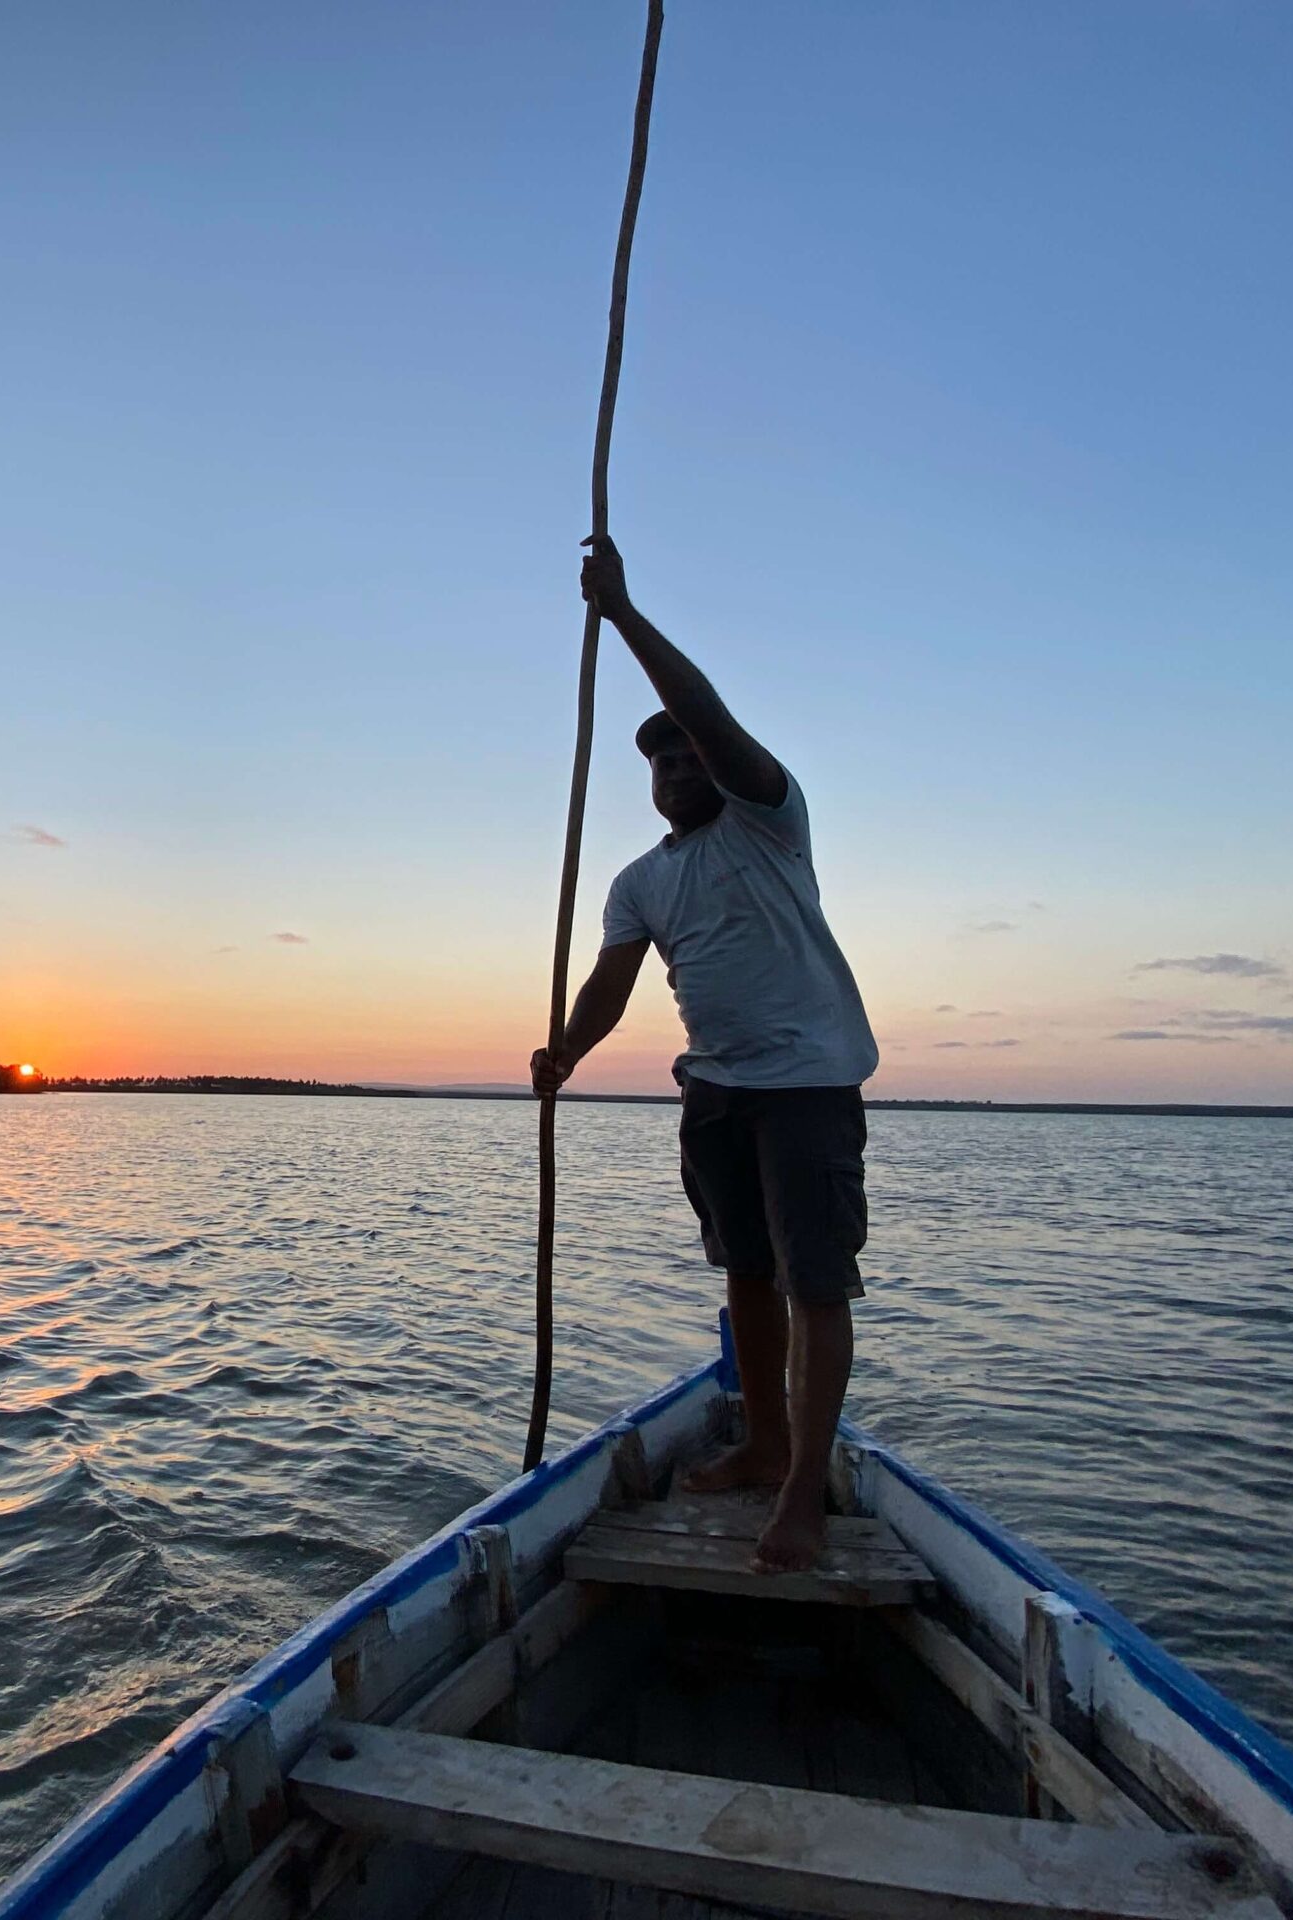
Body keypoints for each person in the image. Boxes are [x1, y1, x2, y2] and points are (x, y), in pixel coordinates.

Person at [530, 534, 878, 1574]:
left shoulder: (768, 818)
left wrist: (624, 614)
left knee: (816, 1282)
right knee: (746, 1276)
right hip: (716, 1093)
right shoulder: (639, 879)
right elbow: (610, 983)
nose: (681, 765)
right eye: (664, 759)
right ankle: (764, 1447)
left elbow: (713, 719)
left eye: (690, 750)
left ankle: (805, 1486)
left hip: (807, 1083)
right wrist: (565, 1052)